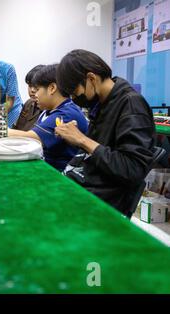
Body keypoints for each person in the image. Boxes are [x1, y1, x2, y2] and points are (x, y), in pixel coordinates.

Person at [54, 49, 156, 217]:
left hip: (102, 200)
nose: (74, 99)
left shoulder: (131, 105)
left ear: (91, 79)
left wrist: (82, 140)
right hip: (85, 184)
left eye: (75, 92)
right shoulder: (103, 102)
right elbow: (99, 148)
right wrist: (75, 138)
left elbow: (132, 169)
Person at [9, 64, 88, 171]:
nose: (34, 94)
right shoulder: (48, 111)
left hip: (61, 175)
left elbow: (30, 138)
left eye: (37, 89)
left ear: (52, 88)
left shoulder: (66, 114)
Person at [13, 65, 45, 131]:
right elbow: (17, 127)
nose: (32, 90)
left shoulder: (48, 109)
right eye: (30, 86)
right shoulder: (28, 103)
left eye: (36, 86)